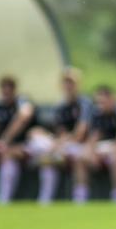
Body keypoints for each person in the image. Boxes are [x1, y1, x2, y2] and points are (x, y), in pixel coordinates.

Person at [26, 68, 93, 203]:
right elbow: (59, 132)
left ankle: (80, 198)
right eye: (66, 82)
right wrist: (57, 144)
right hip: (63, 145)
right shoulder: (60, 107)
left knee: (72, 158)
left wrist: (59, 145)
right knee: (39, 141)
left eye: (71, 83)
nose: (68, 86)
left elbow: (80, 133)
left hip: (82, 145)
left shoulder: (84, 104)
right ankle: (45, 198)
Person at [75, 86, 116, 202]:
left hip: (115, 146)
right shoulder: (96, 114)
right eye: (99, 102)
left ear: (112, 99)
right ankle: (81, 195)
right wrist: (92, 153)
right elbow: (94, 137)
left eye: (103, 101)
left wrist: (115, 150)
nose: (101, 105)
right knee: (80, 158)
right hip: (101, 148)